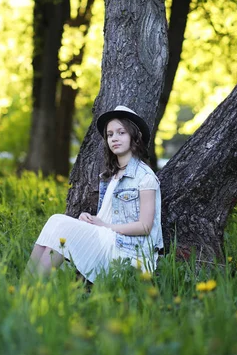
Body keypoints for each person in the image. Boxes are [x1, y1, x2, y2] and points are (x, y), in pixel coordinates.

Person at [26, 105, 163, 281]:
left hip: (129, 252)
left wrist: (104, 226)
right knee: (56, 220)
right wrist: (90, 221)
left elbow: (145, 226)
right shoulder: (111, 176)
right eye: (110, 134)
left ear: (134, 136)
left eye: (121, 132)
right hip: (108, 239)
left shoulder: (145, 177)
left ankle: (31, 290)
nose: (114, 138)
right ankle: (26, 284)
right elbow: (109, 217)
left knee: (62, 227)